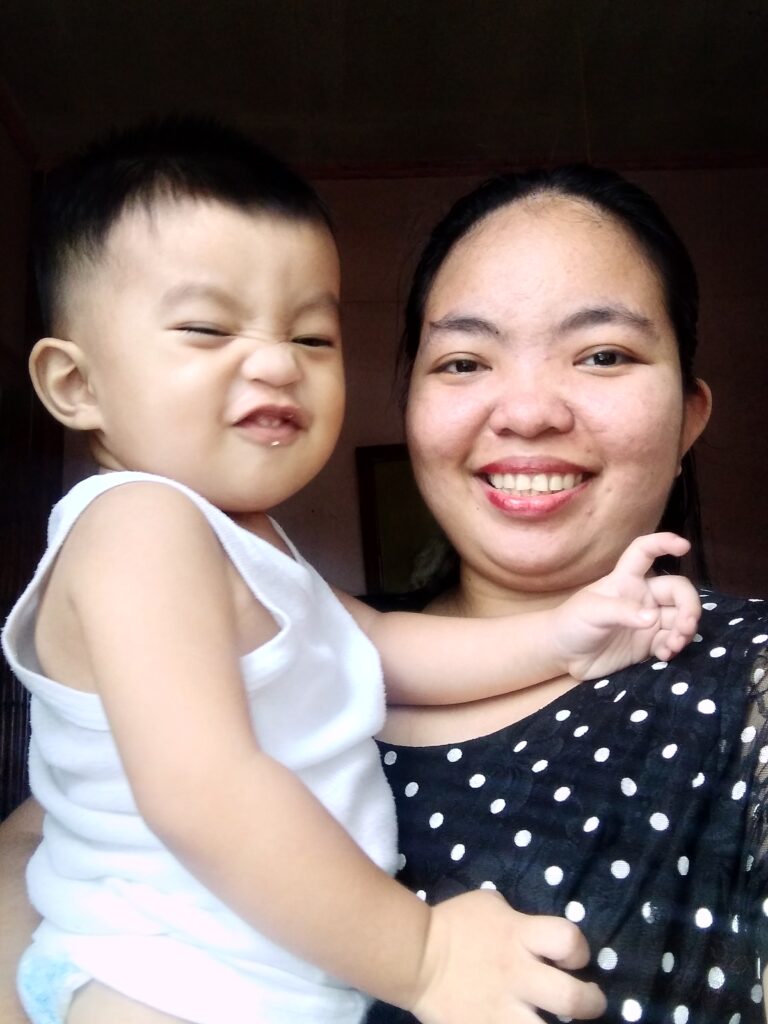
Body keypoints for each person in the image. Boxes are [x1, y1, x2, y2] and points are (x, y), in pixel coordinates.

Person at [0, 120, 699, 1024]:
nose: (275, 363)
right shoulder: (137, 525)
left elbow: (378, 647)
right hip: (155, 982)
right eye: (207, 328)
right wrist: (424, 957)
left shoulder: (243, 544)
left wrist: (561, 637)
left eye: (312, 337)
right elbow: (201, 789)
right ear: (75, 385)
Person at [363, 165, 768, 1023]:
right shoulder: (293, 658)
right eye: (464, 361)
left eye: (603, 355)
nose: (528, 412)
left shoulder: (751, 682)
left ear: (690, 417)